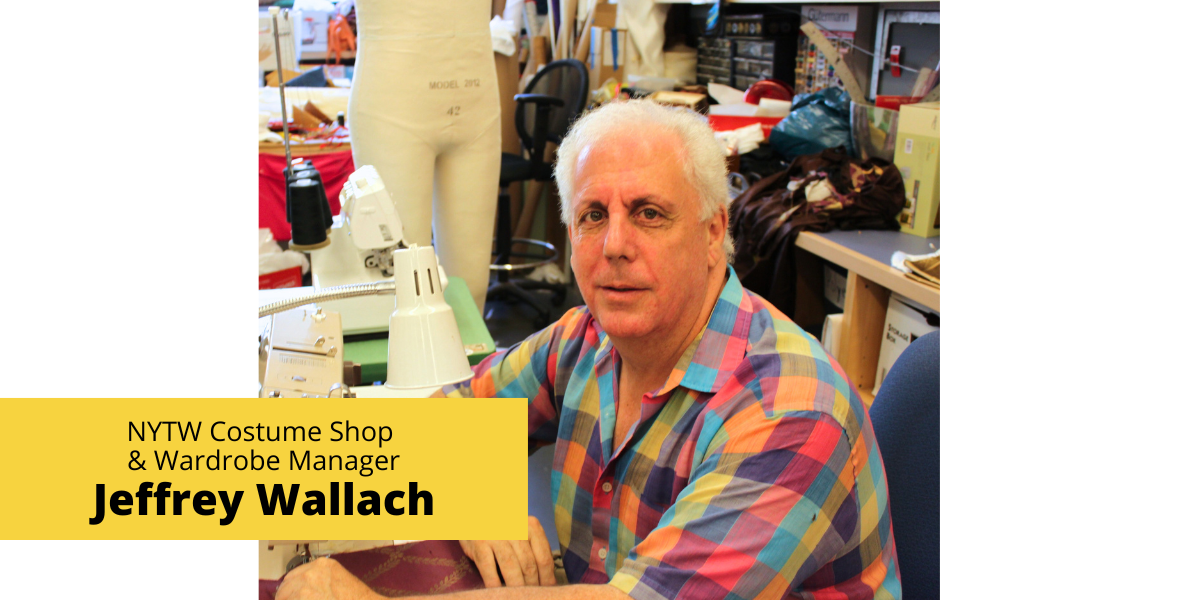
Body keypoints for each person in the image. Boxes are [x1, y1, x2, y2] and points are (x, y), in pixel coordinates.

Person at [277, 100, 900, 600]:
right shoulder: (585, 341)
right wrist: (474, 495)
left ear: (714, 232)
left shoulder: (789, 411)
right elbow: (446, 424)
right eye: (593, 215)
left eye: (650, 213)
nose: (615, 245)